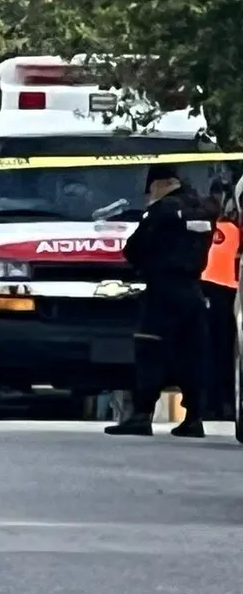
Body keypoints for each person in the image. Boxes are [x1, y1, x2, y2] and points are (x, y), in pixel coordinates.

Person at [106, 164, 216, 438]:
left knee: (150, 350)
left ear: (160, 184)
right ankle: (194, 419)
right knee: (192, 355)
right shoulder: (203, 209)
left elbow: (134, 248)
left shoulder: (162, 210)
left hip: (162, 290)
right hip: (193, 290)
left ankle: (142, 416)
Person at [200, 180, 239, 420]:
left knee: (218, 354)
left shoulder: (210, 228)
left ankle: (218, 404)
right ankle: (218, 404)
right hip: (220, 294)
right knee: (220, 354)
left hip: (224, 296)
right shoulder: (220, 228)